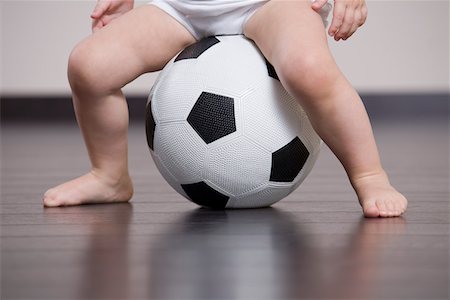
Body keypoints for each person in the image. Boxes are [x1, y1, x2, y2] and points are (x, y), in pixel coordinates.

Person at [43, 0, 408, 218]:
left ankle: (369, 175)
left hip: (272, 4)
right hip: (184, 8)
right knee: (88, 65)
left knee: (308, 68)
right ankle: (109, 176)